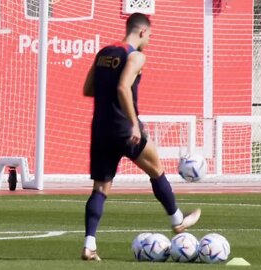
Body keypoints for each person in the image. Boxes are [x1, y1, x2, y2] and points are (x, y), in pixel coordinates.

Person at [81, 12, 201, 261]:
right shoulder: (135, 56)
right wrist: (134, 124)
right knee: (156, 169)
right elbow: (123, 87)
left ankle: (89, 245)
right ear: (142, 32)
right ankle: (177, 221)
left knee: (101, 188)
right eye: (150, 36)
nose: (149, 41)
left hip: (100, 128)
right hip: (124, 128)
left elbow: (88, 89)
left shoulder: (103, 53)